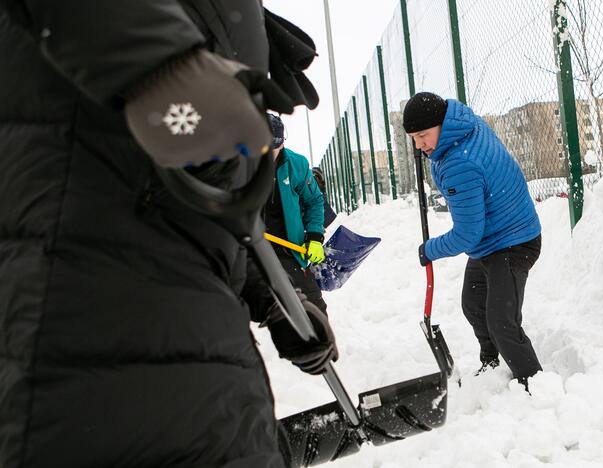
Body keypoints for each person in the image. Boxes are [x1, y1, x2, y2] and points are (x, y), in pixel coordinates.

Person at [0, 2, 336, 466]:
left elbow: (212, 213)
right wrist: (167, 61)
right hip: (94, 325)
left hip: (197, 337)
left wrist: (280, 301)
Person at [404, 92, 543, 391]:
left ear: (441, 124)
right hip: (493, 239)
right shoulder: (464, 126)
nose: (418, 145)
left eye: (422, 135)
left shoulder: (459, 163)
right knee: (473, 304)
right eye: (413, 138)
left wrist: (430, 250)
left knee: (502, 322)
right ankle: (492, 364)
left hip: (513, 241)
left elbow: (467, 234)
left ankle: (534, 383)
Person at [264, 114, 329, 315]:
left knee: (312, 307)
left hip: (287, 249)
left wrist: (315, 237)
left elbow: (314, 201)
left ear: (281, 144)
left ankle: (320, 345)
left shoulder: (296, 165)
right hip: (248, 251)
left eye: (272, 148)